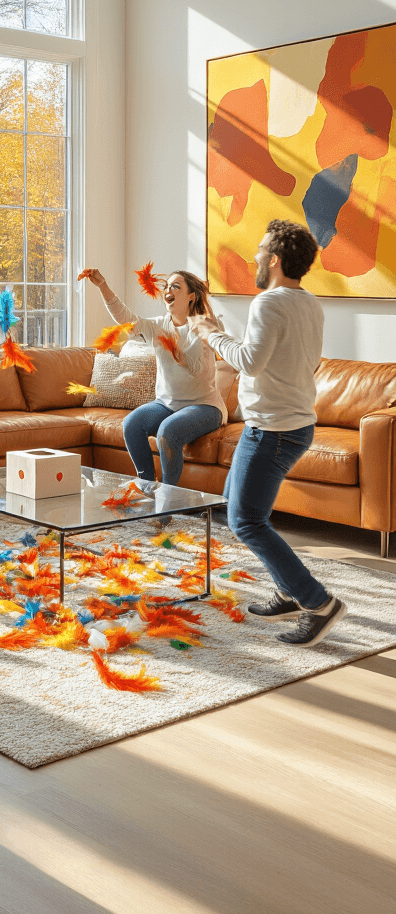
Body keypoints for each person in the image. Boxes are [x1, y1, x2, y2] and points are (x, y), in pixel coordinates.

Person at [193, 219, 346, 647]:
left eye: (261, 250)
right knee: (243, 507)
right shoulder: (309, 303)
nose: (256, 256)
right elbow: (293, 361)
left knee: (245, 521)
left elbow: (249, 361)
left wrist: (211, 334)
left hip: (272, 430)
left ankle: (319, 603)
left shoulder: (268, 303)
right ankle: (287, 590)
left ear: (275, 259)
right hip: (295, 425)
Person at [80, 267, 226, 486]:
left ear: (191, 297)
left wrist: (182, 358)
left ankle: (168, 497)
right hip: (167, 403)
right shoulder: (158, 326)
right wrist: (103, 286)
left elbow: (206, 373)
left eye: (176, 286)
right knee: (131, 424)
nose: (168, 289)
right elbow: (126, 319)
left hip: (205, 406)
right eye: (166, 286)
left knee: (168, 431)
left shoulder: (205, 326)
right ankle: (146, 485)